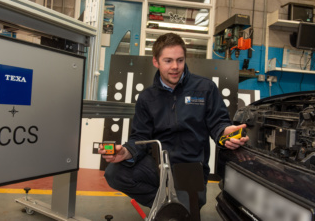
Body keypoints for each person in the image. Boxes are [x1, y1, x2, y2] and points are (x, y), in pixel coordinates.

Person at [99, 33, 249, 211]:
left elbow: (219, 123)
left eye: (180, 60)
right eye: (168, 61)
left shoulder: (205, 88)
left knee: (188, 213)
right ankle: (166, 207)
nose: (175, 67)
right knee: (115, 173)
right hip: (158, 165)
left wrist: (227, 133)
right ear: (156, 62)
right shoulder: (147, 98)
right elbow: (140, 137)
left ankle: (178, 208)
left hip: (191, 167)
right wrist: (126, 151)